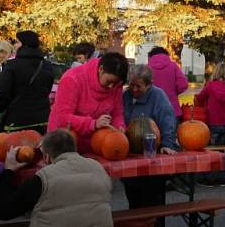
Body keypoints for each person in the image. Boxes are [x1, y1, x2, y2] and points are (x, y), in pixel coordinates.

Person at [47, 51, 128, 154]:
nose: (111, 87)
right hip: (65, 143)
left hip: (97, 144)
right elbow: (63, 117)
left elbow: (117, 113)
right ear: (101, 69)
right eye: (108, 81)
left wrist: (119, 126)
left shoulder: (116, 86)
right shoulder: (73, 79)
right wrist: (93, 124)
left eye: (115, 83)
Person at [122, 65, 178, 209]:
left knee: (150, 196)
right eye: (131, 85)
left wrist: (167, 144)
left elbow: (167, 121)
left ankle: (153, 225)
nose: (133, 89)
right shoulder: (125, 96)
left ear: (148, 85)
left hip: (151, 153)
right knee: (132, 193)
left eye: (138, 86)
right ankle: (137, 225)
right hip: (130, 154)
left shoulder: (158, 96)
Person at [0, 31, 55, 134]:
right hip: (43, 118)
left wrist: (0, 109)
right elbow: (47, 89)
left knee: (15, 149)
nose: (14, 46)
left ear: (23, 44)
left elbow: (2, 94)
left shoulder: (12, 66)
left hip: (17, 120)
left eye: (17, 42)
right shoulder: (47, 65)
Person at [195, 63, 225, 186]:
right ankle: (222, 176)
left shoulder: (210, 86)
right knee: (220, 150)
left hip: (212, 121)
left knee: (211, 150)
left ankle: (209, 177)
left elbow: (200, 98)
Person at [147, 46, 188, 127]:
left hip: (151, 110)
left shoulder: (147, 68)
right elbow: (183, 84)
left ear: (151, 56)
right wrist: (174, 92)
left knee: (153, 137)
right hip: (172, 108)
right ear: (166, 55)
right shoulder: (173, 66)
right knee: (170, 137)